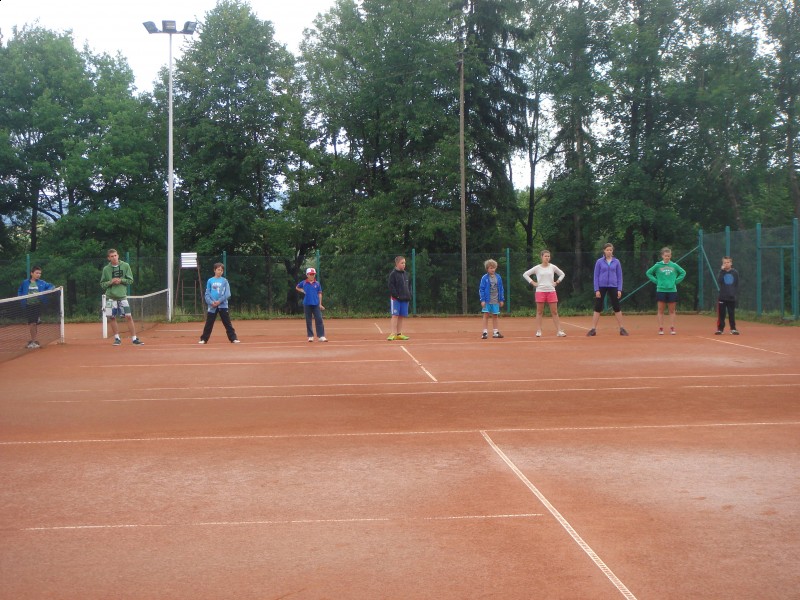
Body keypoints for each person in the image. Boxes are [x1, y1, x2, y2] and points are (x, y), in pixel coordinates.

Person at [100, 249, 144, 346]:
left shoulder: (125, 266)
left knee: (128, 316)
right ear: (109, 258)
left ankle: (134, 339)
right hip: (109, 297)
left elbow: (130, 280)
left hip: (122, 297)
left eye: (115, 255)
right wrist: (110, 282)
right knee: (111, 317)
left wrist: (121, 280)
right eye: (112, 256)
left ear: (118, 256)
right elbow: (102, 284)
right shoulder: (106, 269)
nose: (114, 258)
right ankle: (117, 338)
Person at [587, 243, 629, 336]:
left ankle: (622, 328)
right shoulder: (599, 262)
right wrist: (596, 289)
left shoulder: (616, 262)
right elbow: (596, 276)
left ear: (612, 251)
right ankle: (593, 329)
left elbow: (619, 276)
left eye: (610, 250)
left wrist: (619, 289)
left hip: (613, 286)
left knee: (616, 307)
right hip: (601, 286)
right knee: (598, 307)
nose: (609, 251)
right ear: (604, 251)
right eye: (607, 250)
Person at [523, 249, 566, 337]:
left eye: (548, 256)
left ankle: (559, 331)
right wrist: (533, 283)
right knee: (539, 312)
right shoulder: (537, 268)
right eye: (545, 256)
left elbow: (562, 274)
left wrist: (557, 282)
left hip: (551, 291)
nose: (547, 258)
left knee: (554, 312)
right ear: (541, 257)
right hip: (540, 291)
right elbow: (525, 274)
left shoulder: (553, 267)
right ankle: (539, 331)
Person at [646, 247, 687, 335]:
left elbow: (683, 272)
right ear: (662, 256)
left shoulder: (674, 265)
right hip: (661, 290)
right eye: (665, 256)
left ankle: (672, 327)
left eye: (668, 256)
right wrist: (656, 281)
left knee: (672, 311)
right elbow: (648, 273)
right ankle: (661, 328)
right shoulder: (657, 265)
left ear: (670, 256)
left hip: (672, 290)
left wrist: (676, 281)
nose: (667, 257)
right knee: (660, 310)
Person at [199, 262, 240, 344]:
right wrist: (211, 302)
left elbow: (227, 294)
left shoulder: (225, 281)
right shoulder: (210, 280)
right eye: (218, 270)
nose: (220, 271)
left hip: (223, 306)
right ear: (214, 270)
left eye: (221, 270)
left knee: (227, 323)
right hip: (212, 306)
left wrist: (219, 301)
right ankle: (204, 339)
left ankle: (233, 338)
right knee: (209, 323)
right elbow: (207, 294)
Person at [18, 266, 55, 349]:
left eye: (40, 273)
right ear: (32, 273)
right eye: (37, 273)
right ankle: (33, 341)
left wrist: (50, 289)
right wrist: (20, 298)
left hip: (37, 305)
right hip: (28, 305)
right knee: (33, 323)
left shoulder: (42, 282)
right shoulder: (25, 282)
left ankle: (33, 341)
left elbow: (51, 286)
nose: (38, 275)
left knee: (33, 323)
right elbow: (20, 290)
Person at [296, 267, 327, 342]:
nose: (312, 276)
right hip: (307, 304)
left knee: (319, 319)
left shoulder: (317, 283)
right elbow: (297, 287)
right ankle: (310, 336)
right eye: (311, 274)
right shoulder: (304, 283)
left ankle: (321, 336)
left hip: (316, 304)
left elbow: (320, 294)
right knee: (308, 320)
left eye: (313, 274)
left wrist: (320, 304)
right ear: (307, 275)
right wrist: (302, 290)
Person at [479, 259, 505, 339]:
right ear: (487, 269)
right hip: (487, 301)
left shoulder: (498, 277)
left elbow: (501, 289)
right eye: (491, 268)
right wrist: (482, 300)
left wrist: (501, 299)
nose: (492, 269)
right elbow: (481, 289)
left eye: (494, 268)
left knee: (495, 315)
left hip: (495, 300)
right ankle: (485, 332)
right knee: (486, 315)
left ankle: (495, 332)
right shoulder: (484, 278)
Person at [387, 256, 411, 341]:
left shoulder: (406, 274)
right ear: (397, 264)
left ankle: (399, 334)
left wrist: (409, 295)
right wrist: (396, 295)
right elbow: (391, 286)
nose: (404, 264)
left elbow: (409, 286)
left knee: (401, 316)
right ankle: (393, 333)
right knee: (395, 315)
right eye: (402, 263)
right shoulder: (393, 274)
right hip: (396, 299)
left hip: (405, 298)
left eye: (404, 263)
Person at [716, 256, 740, 335]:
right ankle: (720, 329)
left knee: (731, 313)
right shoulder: (721, 272)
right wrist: (722, 271)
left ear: (731, 263)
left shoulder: (735, 272)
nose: (726, 264)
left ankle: (733, 329)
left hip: (731, 297)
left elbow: (736, 284)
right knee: (721, 314)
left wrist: (733, 293)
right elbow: (719, 281)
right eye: (724, 263)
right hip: (722, 297)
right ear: (722, 264)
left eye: (728, 262)